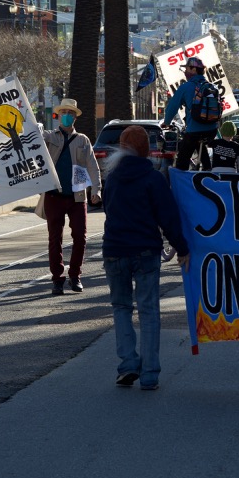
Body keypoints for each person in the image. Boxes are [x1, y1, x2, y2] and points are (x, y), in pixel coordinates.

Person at [102, 125, 189, 391]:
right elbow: (168, 217)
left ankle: (128, 364)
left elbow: (108, 209)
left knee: (121, 308)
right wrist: (181, 247)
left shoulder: (113, 177)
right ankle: (150, 374)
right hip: (145, 250)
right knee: (149, 310)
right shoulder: (153, 178)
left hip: (115, 249)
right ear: (144, 148)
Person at [41, 98, 102, 295]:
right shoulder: (50, 137)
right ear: (58, 116)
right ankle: (57, 279)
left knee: (80, 237)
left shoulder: (83, 140)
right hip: (54, 195)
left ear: (75, 117)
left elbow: (93, 166)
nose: (67, 116)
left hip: (77, 197)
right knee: (54, 238)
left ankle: (75, 276)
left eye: (70, 113)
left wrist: (96, 190)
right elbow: (34, 138)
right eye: (64, 112)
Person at [160, 56, 218, 170]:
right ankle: (208, 170)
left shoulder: (186, 87)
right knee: (200, 145)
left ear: (194, 70)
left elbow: (172, 107)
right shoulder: (212, 87)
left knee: (182, 160)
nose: (185, 72)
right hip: (212, 130)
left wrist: (166, 123)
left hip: (194, 130)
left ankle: (183, 183)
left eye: (187, 69)